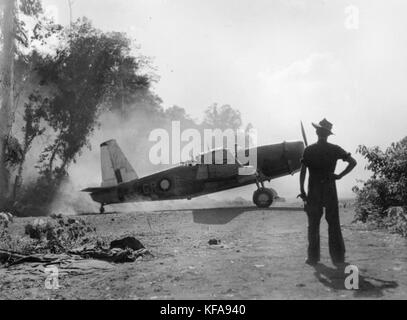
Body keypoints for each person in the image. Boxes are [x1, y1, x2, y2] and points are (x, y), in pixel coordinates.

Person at [299, 119, 357, 267]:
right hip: (330, 189)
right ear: (328, 134)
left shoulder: (309, 150)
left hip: (314, 190)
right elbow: (353, 162)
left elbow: (303, 172)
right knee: (334, 224)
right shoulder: (335, 149)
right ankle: (338, 257)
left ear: (317, 132)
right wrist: (339, 176)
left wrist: (302, 191)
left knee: (313, 224)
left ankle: (313, 258)